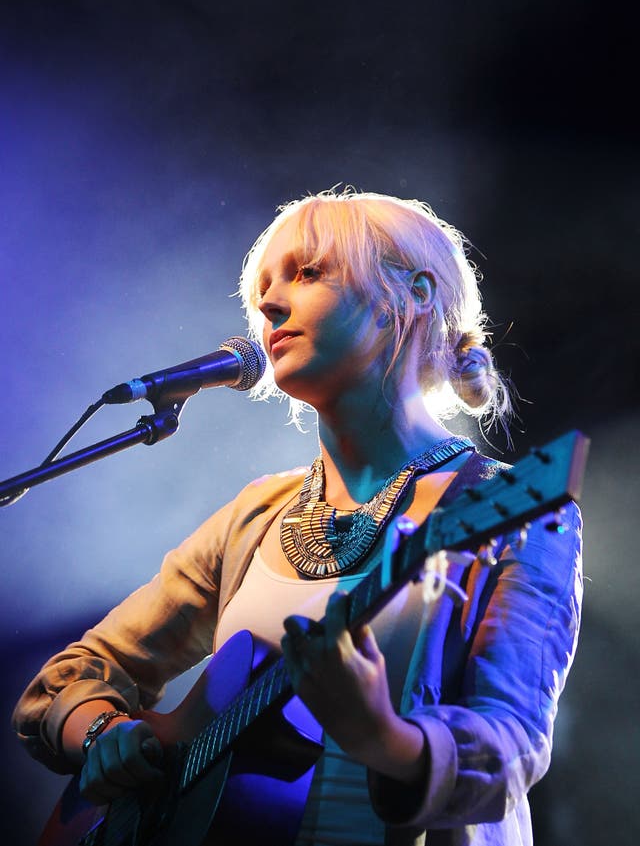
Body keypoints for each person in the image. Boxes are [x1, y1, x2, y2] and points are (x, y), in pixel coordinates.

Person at [13, 189, 583, 846]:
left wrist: (386, 739)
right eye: (263, 290)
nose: (270, 304)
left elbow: (512, 744)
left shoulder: (508, 510)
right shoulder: (257, 513)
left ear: (416, 293)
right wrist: (103, 733)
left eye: (308, 272)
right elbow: (68, 678)